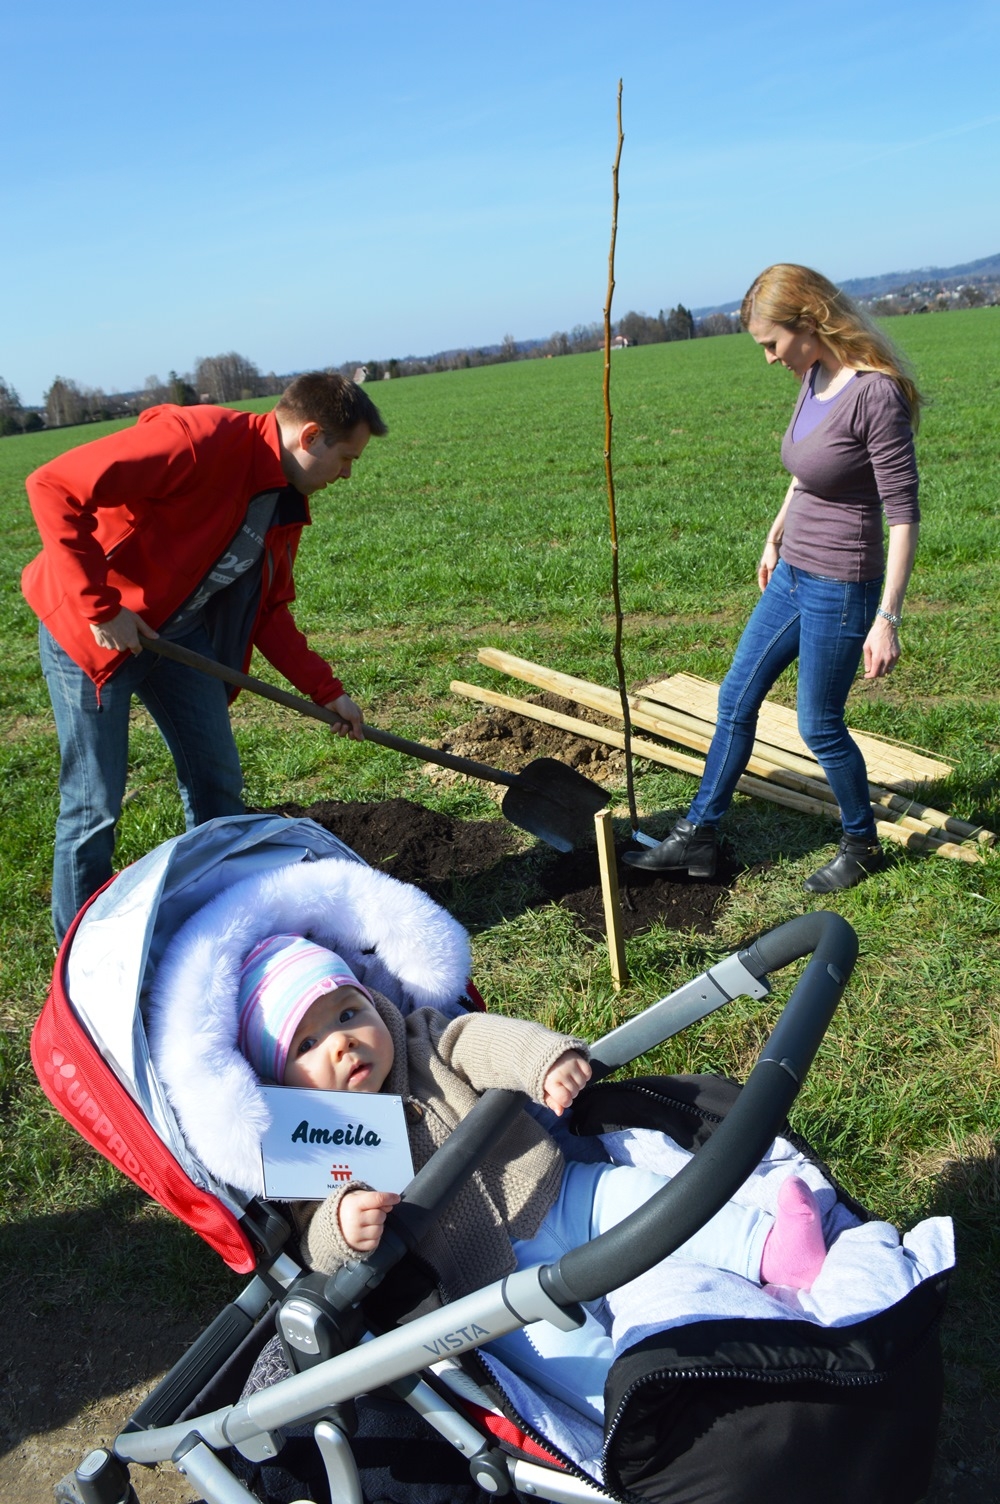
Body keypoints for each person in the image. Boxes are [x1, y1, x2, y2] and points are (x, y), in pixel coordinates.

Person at [234, 932, 829, 1425]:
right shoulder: (312, 1137)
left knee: (649, 1205)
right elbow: (311, 1235)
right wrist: (342, 1224)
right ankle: (650, 1418)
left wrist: (543, 1059)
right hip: (483, 1282)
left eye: (348, 1012)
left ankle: (769, 1245)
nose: (341, 1041)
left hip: (557, 1191)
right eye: (308, 1043)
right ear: (281, 1078)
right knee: (570, 1359)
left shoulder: (422, 1038)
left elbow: (486, 1040)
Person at [22, 372, 387, 942]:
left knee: (218, 782)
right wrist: (100, 607)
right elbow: (51, 485)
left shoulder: (283, 502)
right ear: (310, 436)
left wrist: (327, 691)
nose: (347, 474)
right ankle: (78, 953)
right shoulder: (199, 440)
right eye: (346, 458)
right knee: (94, 808)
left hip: (175, 638)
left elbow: (268, 610)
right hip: (91, 632)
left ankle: (220, 926)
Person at [624, 264, 922, 893]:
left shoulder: (876, 393)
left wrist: (887, 617)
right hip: (793, 573)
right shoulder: (814, 374)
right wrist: (776, 530)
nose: (768, 358)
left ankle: (861, 841)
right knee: (735, 698)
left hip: (843, 585)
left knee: (818, 725)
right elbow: (806, 467)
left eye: (771, 343)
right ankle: (699, 833)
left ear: (810, 323)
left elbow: (903, 514)